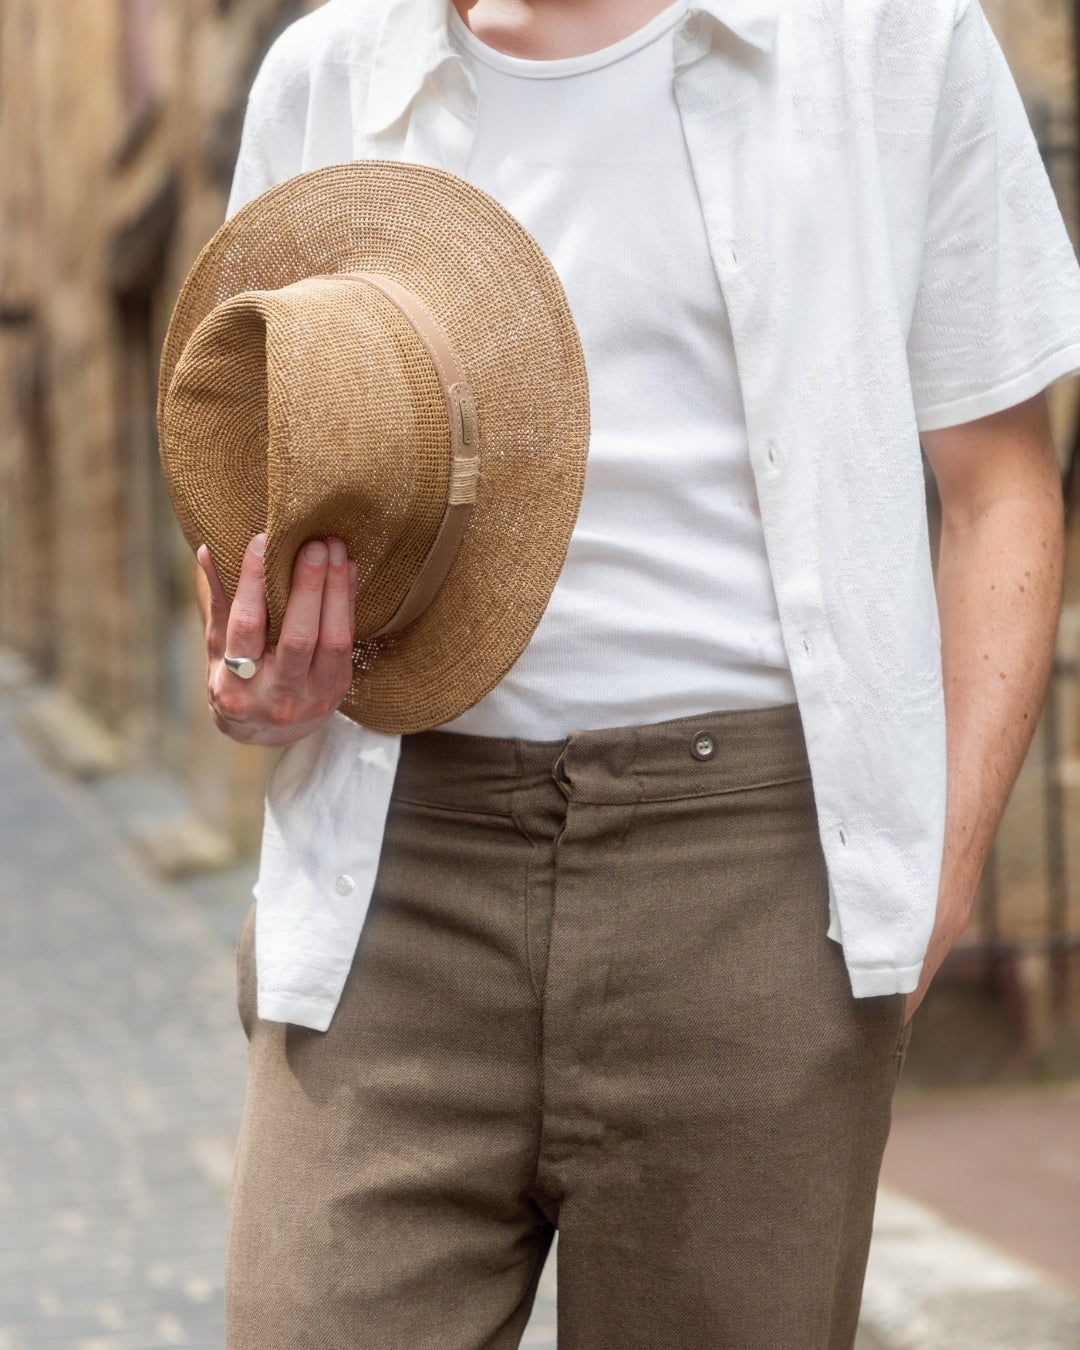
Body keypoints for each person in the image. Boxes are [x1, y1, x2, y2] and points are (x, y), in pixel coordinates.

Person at [193, 1, 1080, 1346]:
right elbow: (273, 515)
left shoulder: (888, 40)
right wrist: (265, 683)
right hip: (395, 869)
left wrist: (938, 867)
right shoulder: (327, 76)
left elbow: (1000, 487)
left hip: (751, 880)